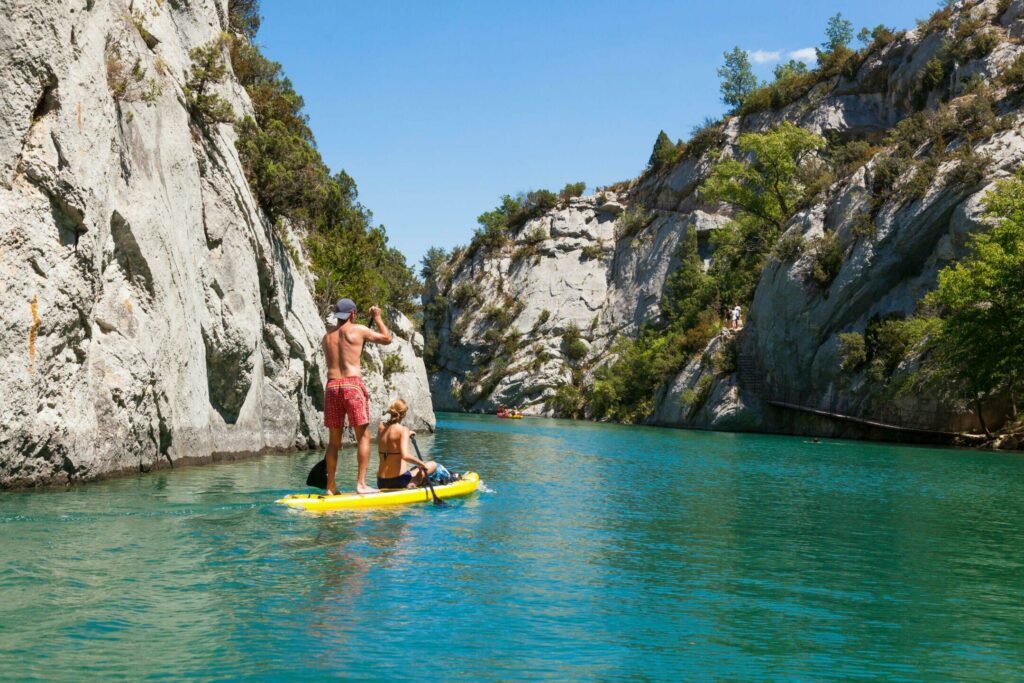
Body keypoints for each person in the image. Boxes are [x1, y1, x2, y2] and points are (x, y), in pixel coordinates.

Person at [322, 298, 393, 495]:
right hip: (352, 385)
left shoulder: (326, 338)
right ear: (352, 314)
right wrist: (377, 318)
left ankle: (330, 487)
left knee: (333, 442)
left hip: (332, 386)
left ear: (337, 316)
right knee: (363, 436)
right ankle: (361, 484)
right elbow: (387, 339)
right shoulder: (359, 330)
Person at [376, 399, 437, 489]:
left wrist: (407, 434)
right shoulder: (403, 430)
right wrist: (421, 464)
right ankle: (413, 482)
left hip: (381, 482)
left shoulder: (381, 427)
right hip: (398, 481)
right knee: (433, 465)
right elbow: (405, 456)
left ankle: (412, 480)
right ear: (404, 414)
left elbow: (390, 438)